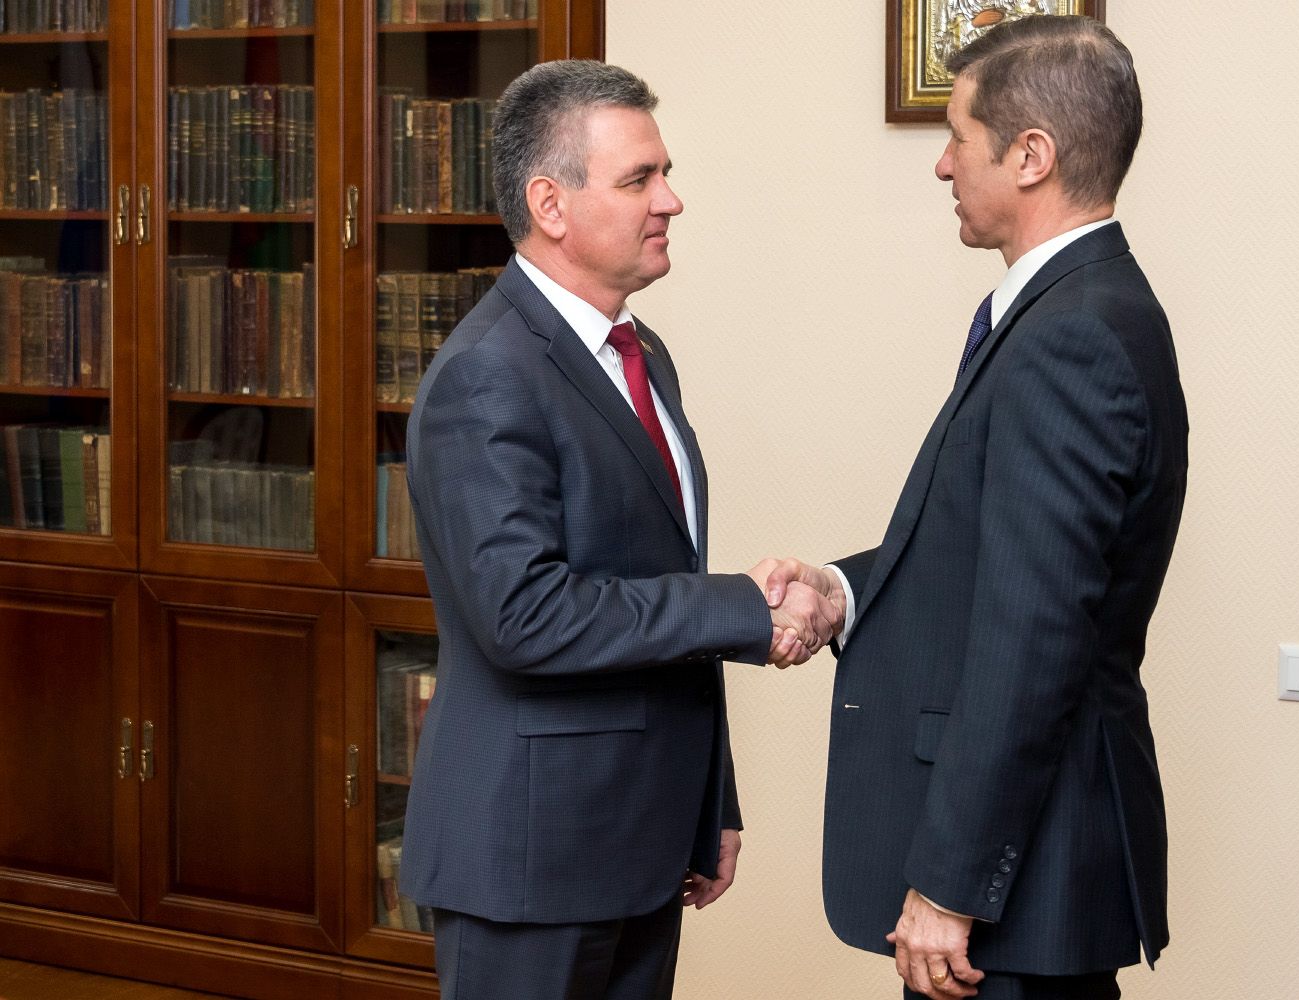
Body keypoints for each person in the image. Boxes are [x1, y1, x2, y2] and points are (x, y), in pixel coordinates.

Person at [765, 15, 1187, 1000]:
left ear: (1031, 156)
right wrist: (842, 592)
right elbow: (996, 558)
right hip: (1035, 872)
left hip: (1018, 889)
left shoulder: (1071, 335)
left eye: (959, 137)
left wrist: (951, 883)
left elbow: (1035, 634)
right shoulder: (1083, 307)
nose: (943, 164)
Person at [398, 60, 839, 1000]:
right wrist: (744, 607)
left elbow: (655, 578)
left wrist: (711, 801)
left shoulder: (642, 357)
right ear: (549, 204)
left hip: (642, 843)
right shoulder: (488, 375)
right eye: (640, 179)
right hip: (530, 859)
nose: (670, 200)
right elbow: (524, 617)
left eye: (664, 174)